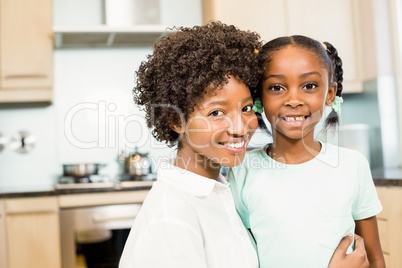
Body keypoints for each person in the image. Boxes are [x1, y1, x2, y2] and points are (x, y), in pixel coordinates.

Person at [119, 22, 370, 268]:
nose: (240, 128)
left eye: (246, 108)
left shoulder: (222, 192)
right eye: (216, 113)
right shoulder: (170, 217)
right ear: (177, 120)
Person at [229, 35, 385, 268]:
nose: (294, 99)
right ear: (259, 96)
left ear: (330, 94)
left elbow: (374, 259)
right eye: (277, 87)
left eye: (309, 86)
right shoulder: (243, 169)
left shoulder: (352, 165)